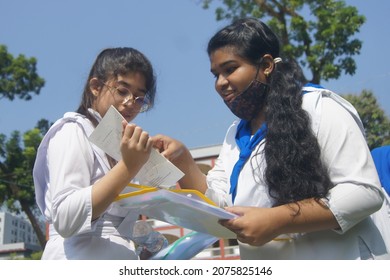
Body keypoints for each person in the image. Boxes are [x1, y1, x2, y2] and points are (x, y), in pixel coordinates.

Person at [152, 18, 390, 259]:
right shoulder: (235, 134)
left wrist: (277, 219)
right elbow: (221, 209)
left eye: (230, 69)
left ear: (266, 65)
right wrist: (184, 161)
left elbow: (363, 192)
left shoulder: (319, 107)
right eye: (216, 74)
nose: (220, 83)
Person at [33, 47, 157, 259]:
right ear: (96, 87)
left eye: (139, 98)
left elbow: (119, 220)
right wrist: (129, 167)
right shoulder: (72, 130)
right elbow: (66, 218)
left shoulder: (122, 145)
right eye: (122, 91)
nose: (130, 103)